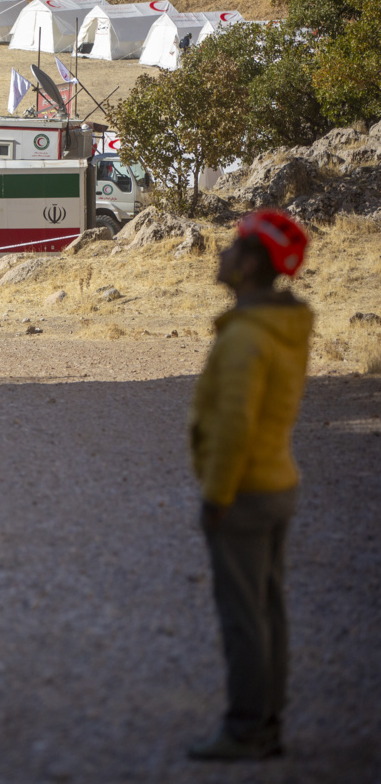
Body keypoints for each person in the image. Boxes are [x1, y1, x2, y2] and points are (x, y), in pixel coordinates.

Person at [187, 209, 313, 762]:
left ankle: (245, 730)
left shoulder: (245, 338)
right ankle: (269, 720)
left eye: (233, 246)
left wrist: (216, 497)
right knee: (268, 610)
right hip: (278, 482)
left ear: (251, 265)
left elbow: (234, 427)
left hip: (244, 492)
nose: (222, 252)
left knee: (242, 618)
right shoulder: (283, 327)